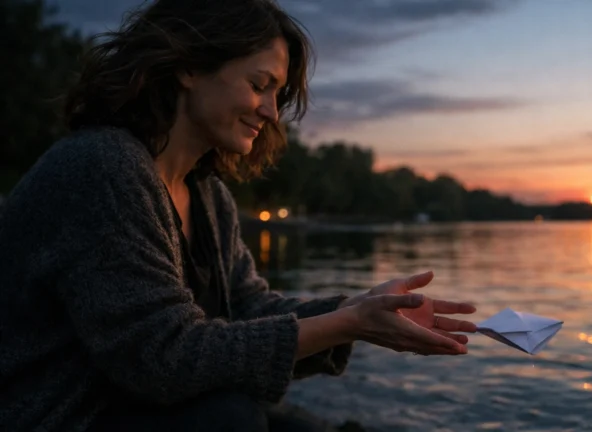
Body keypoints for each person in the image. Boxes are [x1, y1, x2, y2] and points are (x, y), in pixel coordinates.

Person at [0, 0, 478, 431]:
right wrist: (350, 324)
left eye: (278, 94)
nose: (272, 111)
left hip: (134, 409)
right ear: (189, 66)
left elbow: (247, 310)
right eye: (259, 85)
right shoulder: (100, 168)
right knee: (229, 419)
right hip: (62, 415)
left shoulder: (207, 196)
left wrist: (360, 308)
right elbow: (162, 359)